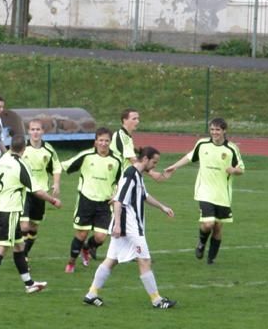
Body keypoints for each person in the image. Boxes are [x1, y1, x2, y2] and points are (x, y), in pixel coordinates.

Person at [83, 146, 177, 309]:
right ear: (145, 159)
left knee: (112, 260)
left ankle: (91, 294)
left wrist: (162, 207)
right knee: (144, 260)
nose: (154, 166)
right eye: (154, 162)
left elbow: (144, 195)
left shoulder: (137, 175)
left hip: (126, 225)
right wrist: (117, 225)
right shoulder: (130, 174)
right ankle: (157, 300)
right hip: (129, 226)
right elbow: (118, 200)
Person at [0, 135, 61, 297]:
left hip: (0, 210)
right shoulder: (20, 165)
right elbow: (37, 191)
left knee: (19, 246)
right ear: (24, 149)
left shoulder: (2, 162)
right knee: (1, 249)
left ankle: (29, 284)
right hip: (11, 213)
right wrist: (53, 200)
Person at [163, 117, 245, 265]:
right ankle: (201, 243)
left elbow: (241, 169)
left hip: (223, 194)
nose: (214, 132)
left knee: (218, 227)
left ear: (224, 131)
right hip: (204, 191)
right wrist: (174, 166)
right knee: (208, 224)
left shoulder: (231, 148)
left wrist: (234, 170)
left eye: (217, 130)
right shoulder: (202, 144)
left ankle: (211, 259)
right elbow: (189, 156)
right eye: (212, 129)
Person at [61, 127, 123, 272]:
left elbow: (121, 181)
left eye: (106, 141)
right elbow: (65, 166)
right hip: (86, 201)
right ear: (95, 142)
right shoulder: (86, 155)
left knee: (100, 237)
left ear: (110, 142)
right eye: (100, 140)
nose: (103, 143)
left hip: (105, 203)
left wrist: (116, 194)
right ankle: (71, 262)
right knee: (81, 234)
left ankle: (87, 248)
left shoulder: (116, 160)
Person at [20, 119, 62, 262]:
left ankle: (24, 253)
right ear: (28, 131)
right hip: (24, 191)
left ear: (43, 131)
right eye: (33, 129)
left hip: (41, 192)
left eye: (38, 129)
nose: (35, 132)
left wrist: (56, 184)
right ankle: (21, 257)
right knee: (24, 226)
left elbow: (56, 167)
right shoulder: (22, 147)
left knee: (33, 226)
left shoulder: (48, 149)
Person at [111, 108, 165, 181]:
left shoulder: (126, 137)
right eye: (134, 119)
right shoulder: (122, 136)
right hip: (119, 178)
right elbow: (133, 159)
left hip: (124, 177)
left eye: (138, 119)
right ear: (125, 120)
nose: (137, 121)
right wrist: (152, 173)